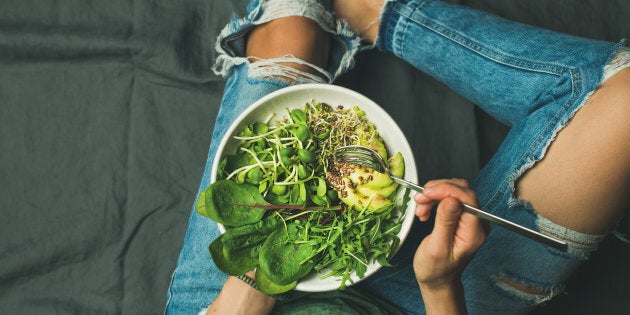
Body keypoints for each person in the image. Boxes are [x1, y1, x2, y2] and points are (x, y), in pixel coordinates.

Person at [165, 0, 630, 314]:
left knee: (292, 20)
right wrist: (440, 284)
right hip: (413, 302)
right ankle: (383, 15)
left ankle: (362, 13)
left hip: (233, 296)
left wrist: (252, 278)